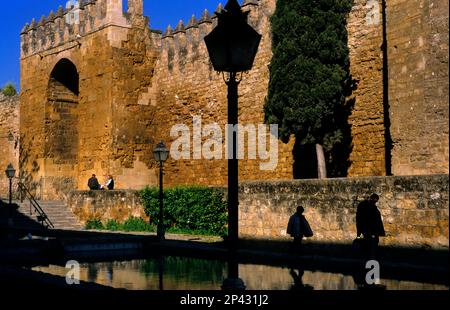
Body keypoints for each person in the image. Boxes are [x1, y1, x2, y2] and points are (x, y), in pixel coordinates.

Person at [356, 193, 385, 258]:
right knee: (368, 243)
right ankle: (368, 256)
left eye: (376, 201)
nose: (375, 202)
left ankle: (370, 255)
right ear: (371, 198)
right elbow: (360, 218)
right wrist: (359, 232)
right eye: (375, 200)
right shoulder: (364, 205)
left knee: (372, 242)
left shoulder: (371, 206)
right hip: (367, 228)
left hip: (371, 229)